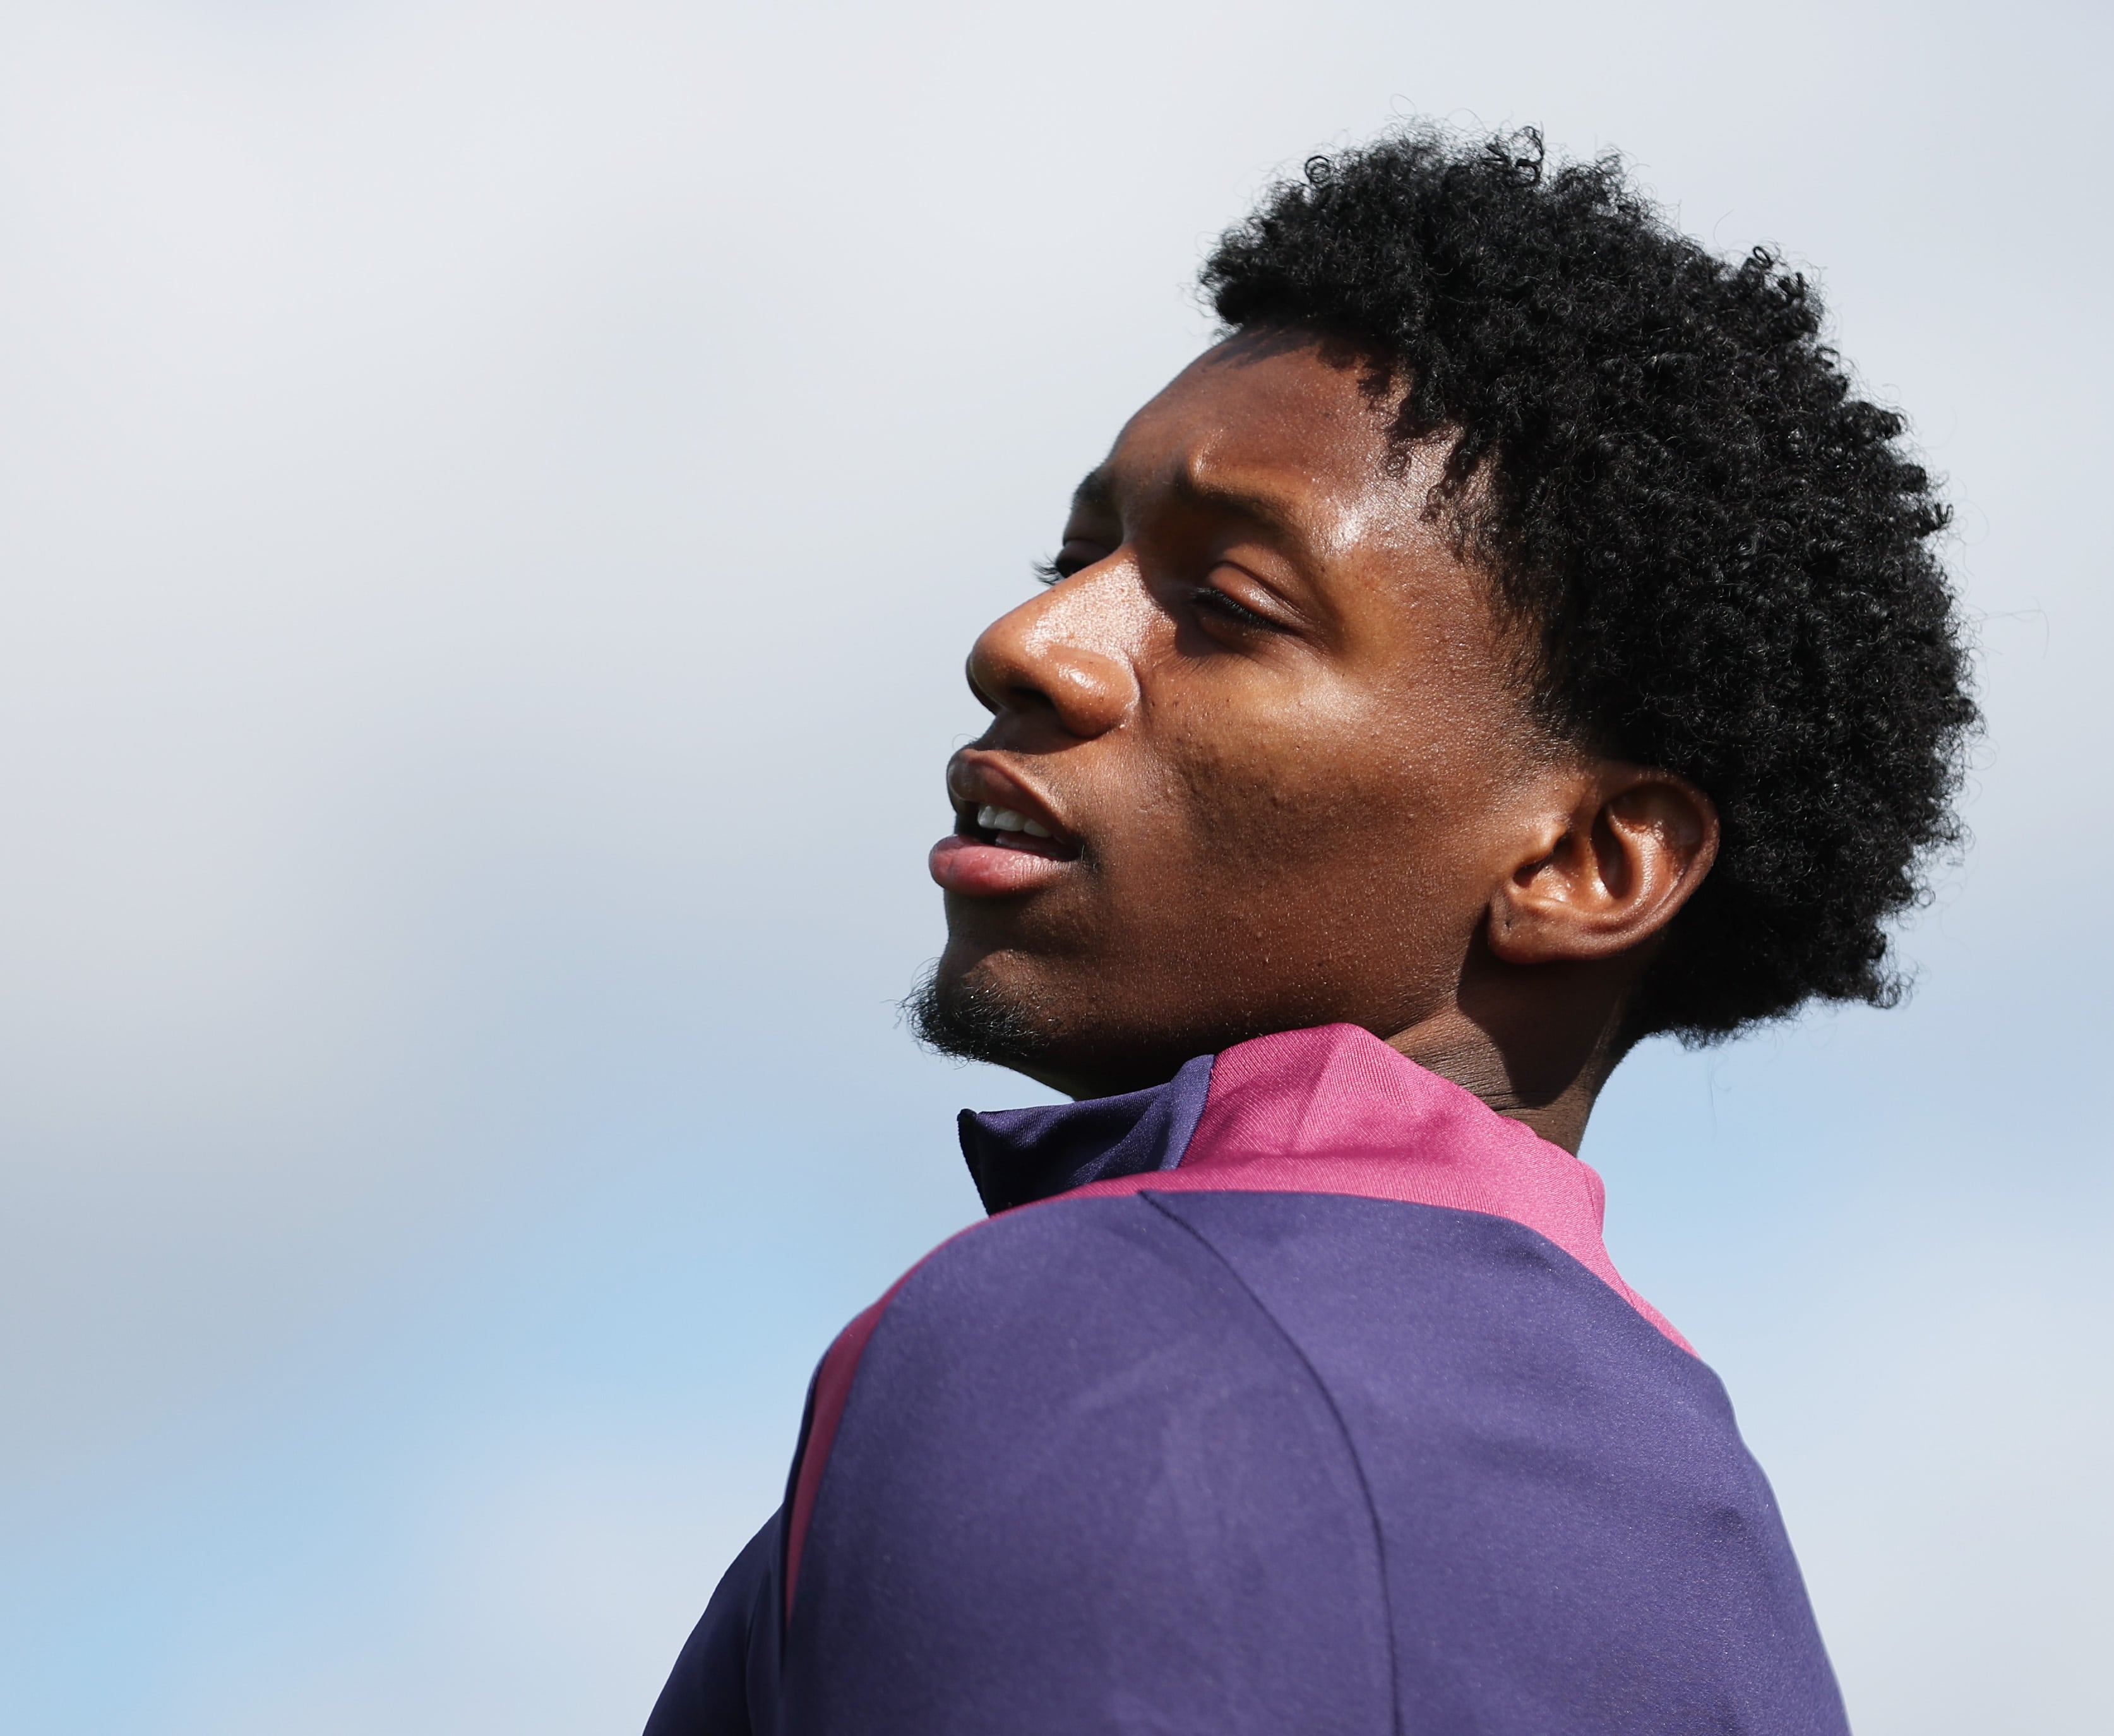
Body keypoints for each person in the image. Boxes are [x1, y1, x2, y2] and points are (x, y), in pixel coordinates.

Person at [647, 123, 1975, 1735]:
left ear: (1582, 860)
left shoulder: (1114, 1347)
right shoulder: (1689, 1519)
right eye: (1076, 559)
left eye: (1228, 605)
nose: (1029, 644)